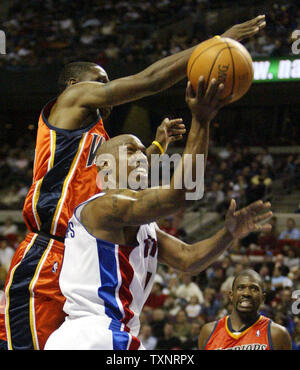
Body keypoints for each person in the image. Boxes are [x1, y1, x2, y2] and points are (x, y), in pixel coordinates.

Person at [0, 15, 267, 351]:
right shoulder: (70, 104)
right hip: (46, 250)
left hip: (77, 253)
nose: (107, 90)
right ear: (73, 85)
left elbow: (114, 175)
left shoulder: (99, 146)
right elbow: (150, 80)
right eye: (100, 81)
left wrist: (156, 148)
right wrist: (213, 45)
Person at [44, 78, 272, 350]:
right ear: (105, 165)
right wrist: (201, 120)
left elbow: (189, 260)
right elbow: (181, 192)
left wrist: (229, 234)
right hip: (92, 335)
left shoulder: (140, 223)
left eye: (144, 151)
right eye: (131, 150)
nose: (142, 156)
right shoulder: (102, 206)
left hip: (109, 335)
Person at [198, 269, 292, 350]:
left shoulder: (277, 334)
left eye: (254, 289)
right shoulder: (208, 332)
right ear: (231, 295)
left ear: (263, 298)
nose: (246, 293)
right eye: (241, 288)